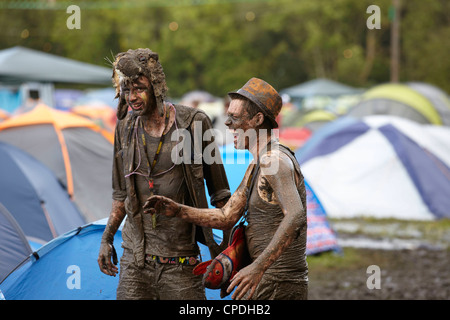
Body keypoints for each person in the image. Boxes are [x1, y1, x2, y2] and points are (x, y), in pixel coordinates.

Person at [144, 77, 308, 300]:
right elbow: (227, 215)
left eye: (235, 117)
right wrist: (178, 210)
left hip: (279, 284)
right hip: (263, 282)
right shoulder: (258, 163)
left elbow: (296, 215)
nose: (227, 123)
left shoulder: (274, 160)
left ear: (258, 119)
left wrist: (257, 268)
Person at [97, 48, 231, 300]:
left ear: (155, 86)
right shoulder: (124, 128)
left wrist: (227, 248)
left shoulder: (194, 124)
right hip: (135, 260)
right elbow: (120, 196)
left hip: (181, 261)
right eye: (126, 90)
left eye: (139, 88)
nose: (132, 97)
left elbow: (221, 194)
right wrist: (106, 239)